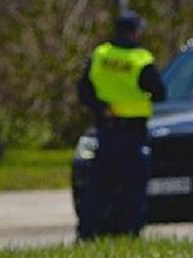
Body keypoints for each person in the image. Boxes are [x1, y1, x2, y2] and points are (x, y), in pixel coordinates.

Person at [76, 10, 166, 240]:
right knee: (133, 187)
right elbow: (159, 92)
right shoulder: (140, 59)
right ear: (135, 33)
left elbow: (84, 91)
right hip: (133, 133)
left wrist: (101, 107)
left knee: (99, 186)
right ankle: (131, 232)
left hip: (106, 131)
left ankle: (88, 233)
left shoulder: (100, 55)